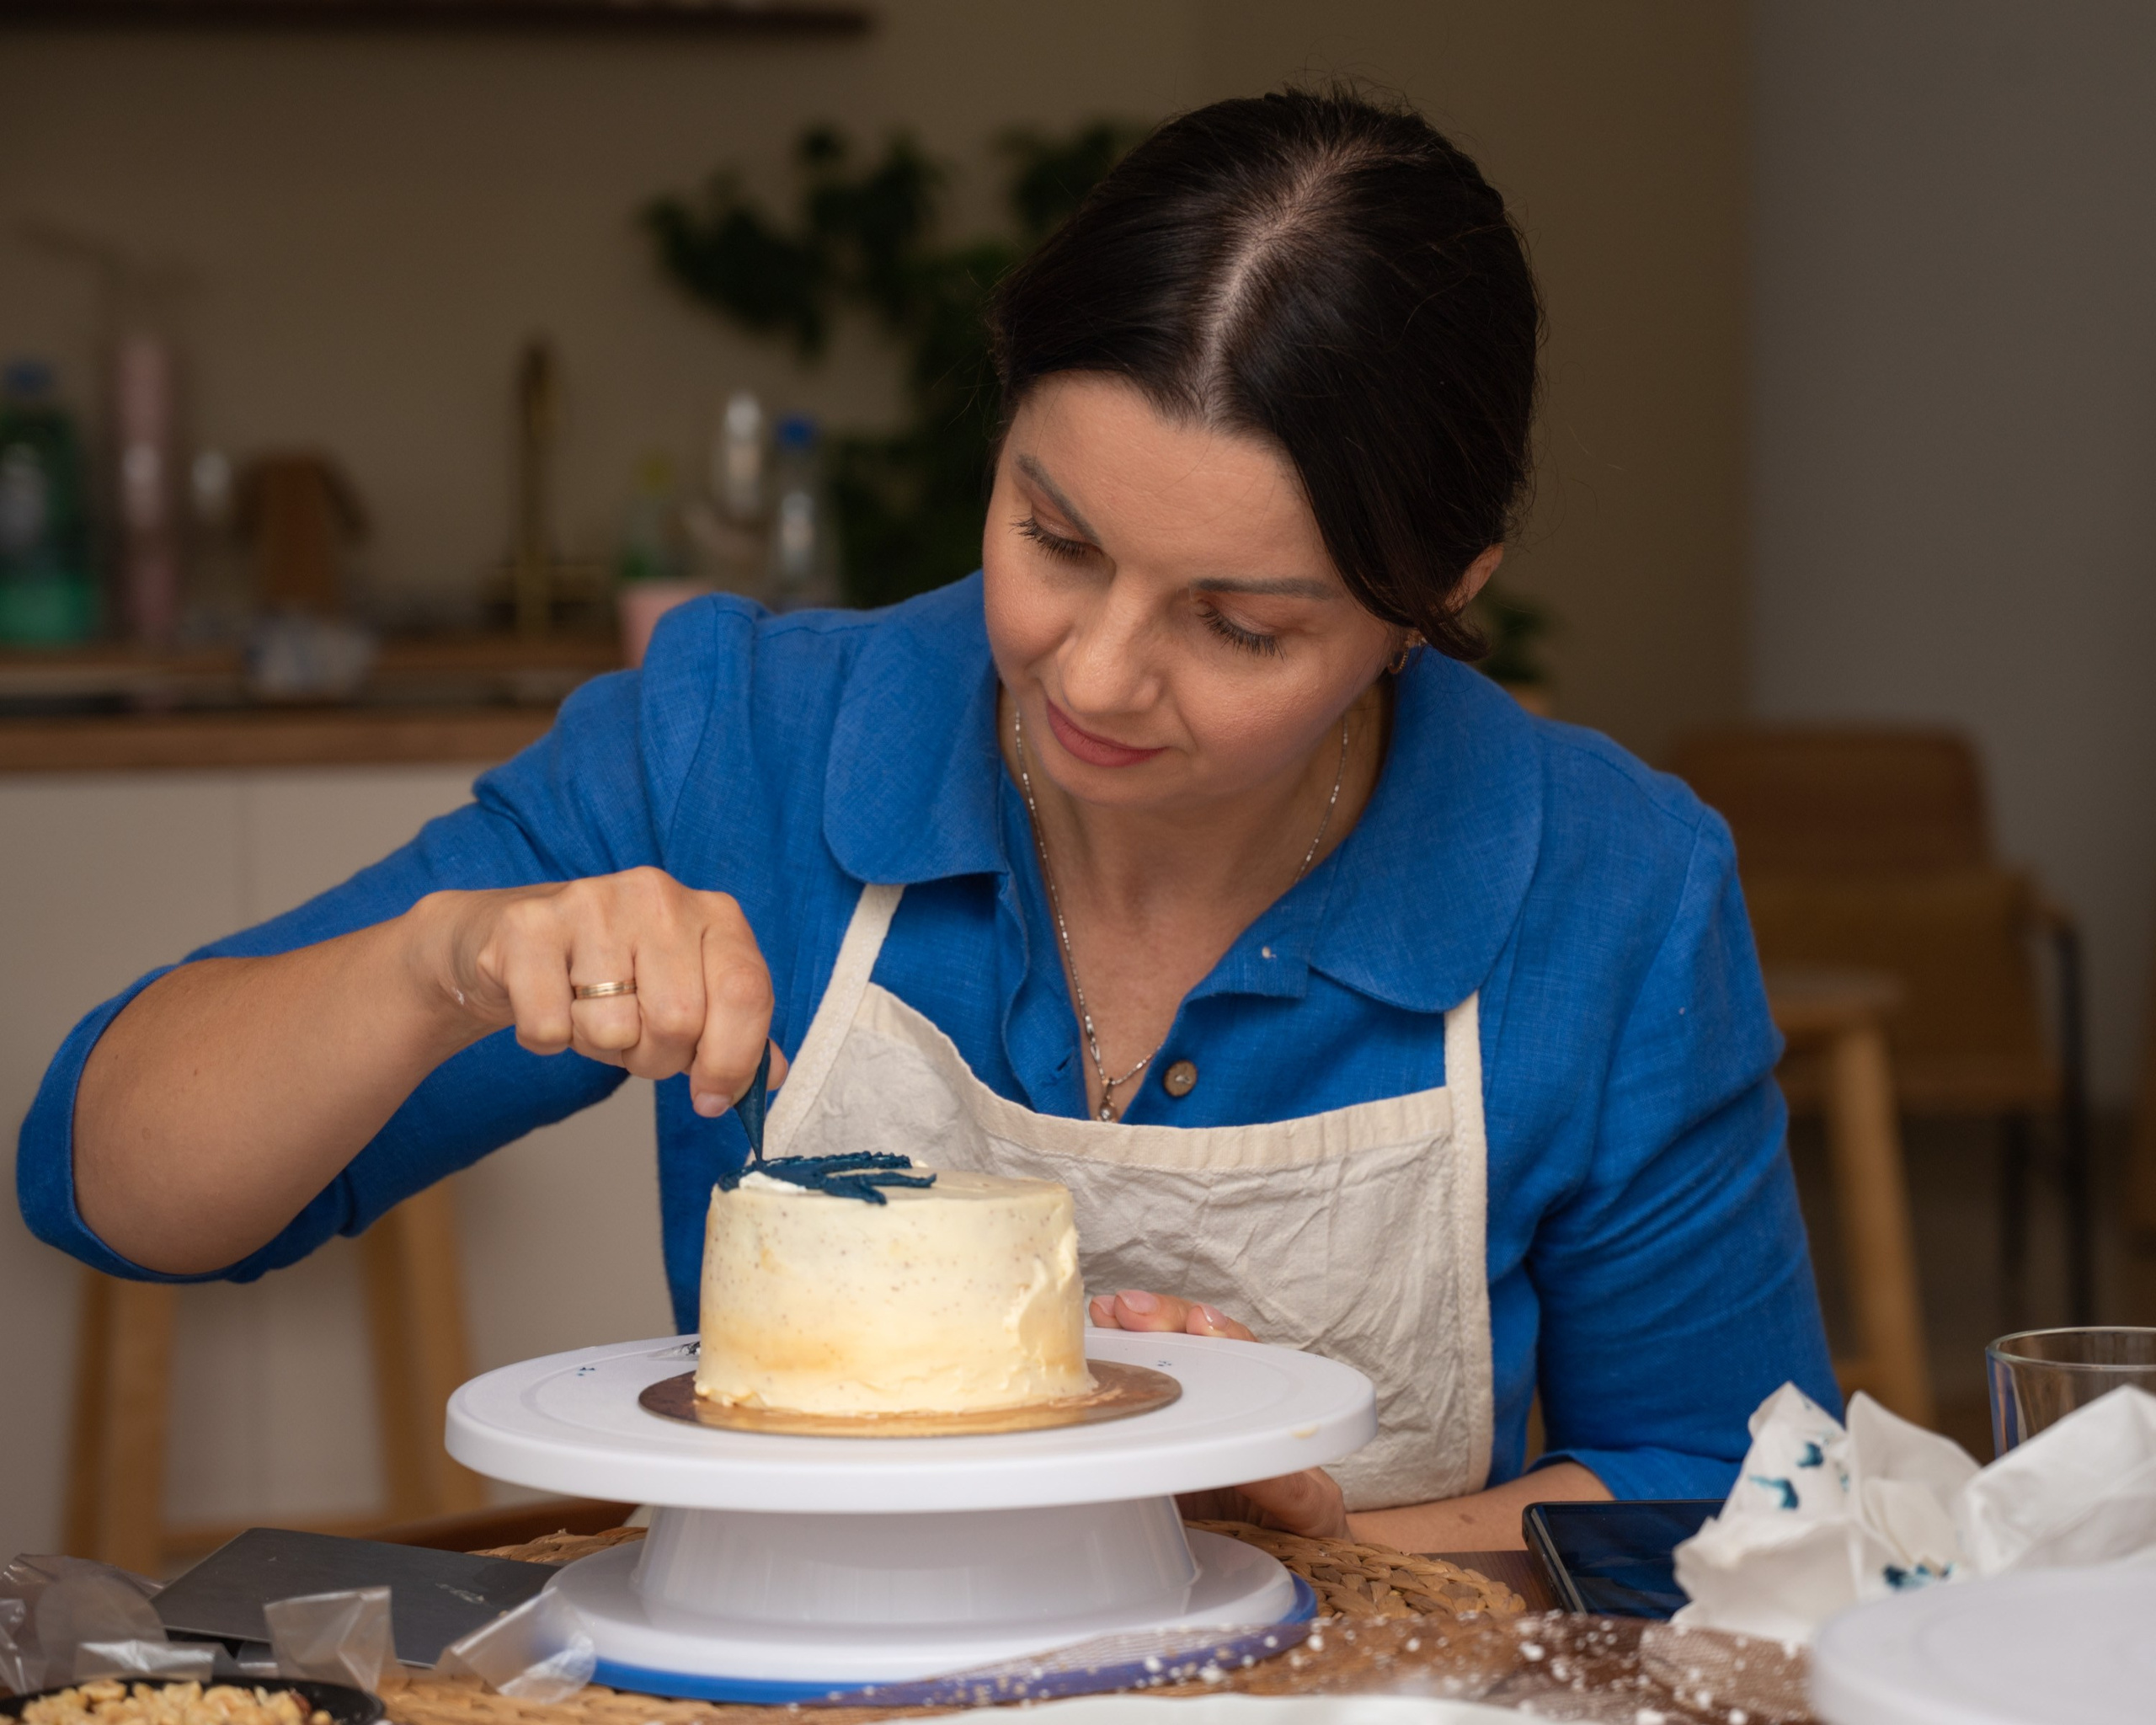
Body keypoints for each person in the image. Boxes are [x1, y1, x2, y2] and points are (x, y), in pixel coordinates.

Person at [19, 88, 1835, 1552]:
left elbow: (1723, 1485)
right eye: (1052, 536)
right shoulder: (743, 745)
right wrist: (445, 961)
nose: (1097, 676)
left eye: (1238, 624)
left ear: (1436, 597)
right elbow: (108, 1183)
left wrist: (1311, 1538)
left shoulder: (1603, 887)